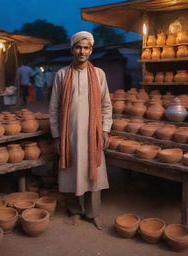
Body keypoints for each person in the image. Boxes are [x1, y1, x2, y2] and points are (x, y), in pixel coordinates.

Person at [49, 31, 112, 230]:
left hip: (92, 134)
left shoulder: (99, 74)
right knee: (72, 172)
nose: (82, 51)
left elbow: (106, 105)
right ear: (72, 49)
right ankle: (75, 210)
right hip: (70, 134)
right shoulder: (61, 75)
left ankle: (93, 213)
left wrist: (105, 130)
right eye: (78, 47)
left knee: (94, 172)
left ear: (91, 50)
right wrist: (57, 135)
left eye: (86, 48)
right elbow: (53, 108)